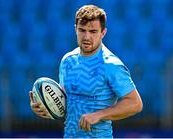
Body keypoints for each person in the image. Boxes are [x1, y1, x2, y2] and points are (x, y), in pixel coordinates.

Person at [29, 4, 143, 138]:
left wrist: (99, 115)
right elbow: (67, 103)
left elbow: (135, 103)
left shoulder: (111, 65)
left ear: (103, 33)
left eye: (93, 31)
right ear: (75, 29)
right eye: (82, 30)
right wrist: (43, 105)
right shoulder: (67, 61)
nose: (87, 37)